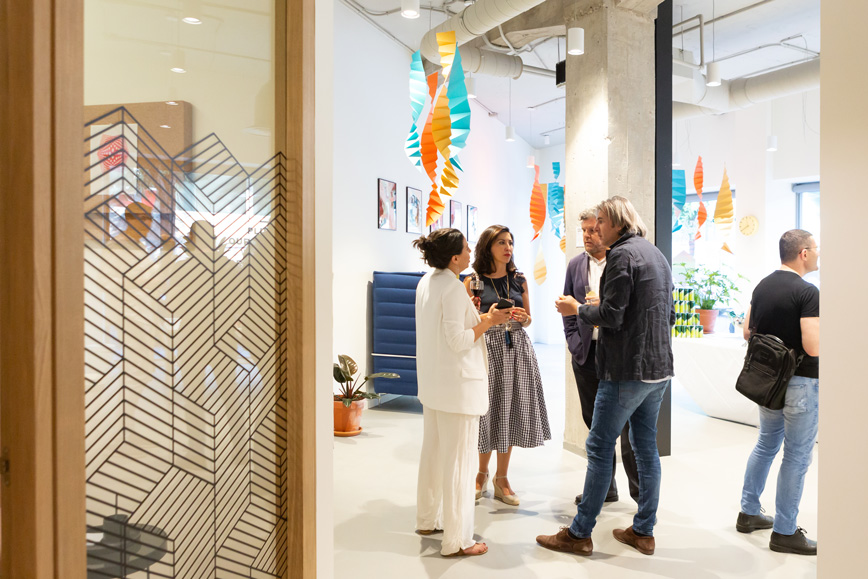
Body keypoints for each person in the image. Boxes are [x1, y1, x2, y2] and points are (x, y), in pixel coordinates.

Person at [537, 196, 674, 557]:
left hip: (626, 369)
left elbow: (612, 316)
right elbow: (668, 314)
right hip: (658, 369)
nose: (595, 228)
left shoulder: (621, 256)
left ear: (616, 223)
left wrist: (578, 308)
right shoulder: (655, 253)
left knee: (599, 447)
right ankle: (643, 531)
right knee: (645, 447)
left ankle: (579, 533)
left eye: (600, 221)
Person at [413, 228, 511, 557]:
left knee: (433, 456)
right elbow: (457, 341)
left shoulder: (427, 282)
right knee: (458, 464)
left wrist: (478, 316)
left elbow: (443, 329)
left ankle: (427, 519)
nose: (471, 253)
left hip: (434, 384)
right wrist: (490, 321)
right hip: (457, 388)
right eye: (467, 249)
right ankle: (457, 540)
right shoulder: (453, 288)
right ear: (455, 257)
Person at [736, 229, 820, 555]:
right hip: (801, 383)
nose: (818, 254)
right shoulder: (808, 292)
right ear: (803, 253)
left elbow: (748, 332)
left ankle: (749, 512)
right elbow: (812, 347)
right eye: (815, 249)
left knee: (766, 444)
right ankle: (785, 531)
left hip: (769, 383)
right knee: (796, 456)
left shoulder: (763, 286)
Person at [464, 225, 551, 507]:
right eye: (501, 242)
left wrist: (523, 317)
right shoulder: (472, 281)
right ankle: (481, 473)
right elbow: (465, 320)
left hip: (516, 347)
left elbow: (529, 319)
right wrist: (488, 317)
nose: (508, 248)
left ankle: (502, 478)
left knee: (509, 410)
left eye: (510, 242)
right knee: (485, 410)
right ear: (487, 246)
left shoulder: (519, 279)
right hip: (485, 347)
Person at [558, 208, 639, 505]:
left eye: (593, 229)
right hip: (586, 353)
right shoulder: (575, 265)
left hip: (617, 354)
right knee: (594, 425)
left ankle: (639, 495)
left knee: (628, 428)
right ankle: (605, 488)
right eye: (584, 230)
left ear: (606, 229)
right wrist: (573, 342)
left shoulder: (623, 260)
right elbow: (567, 307)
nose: (588, 235)